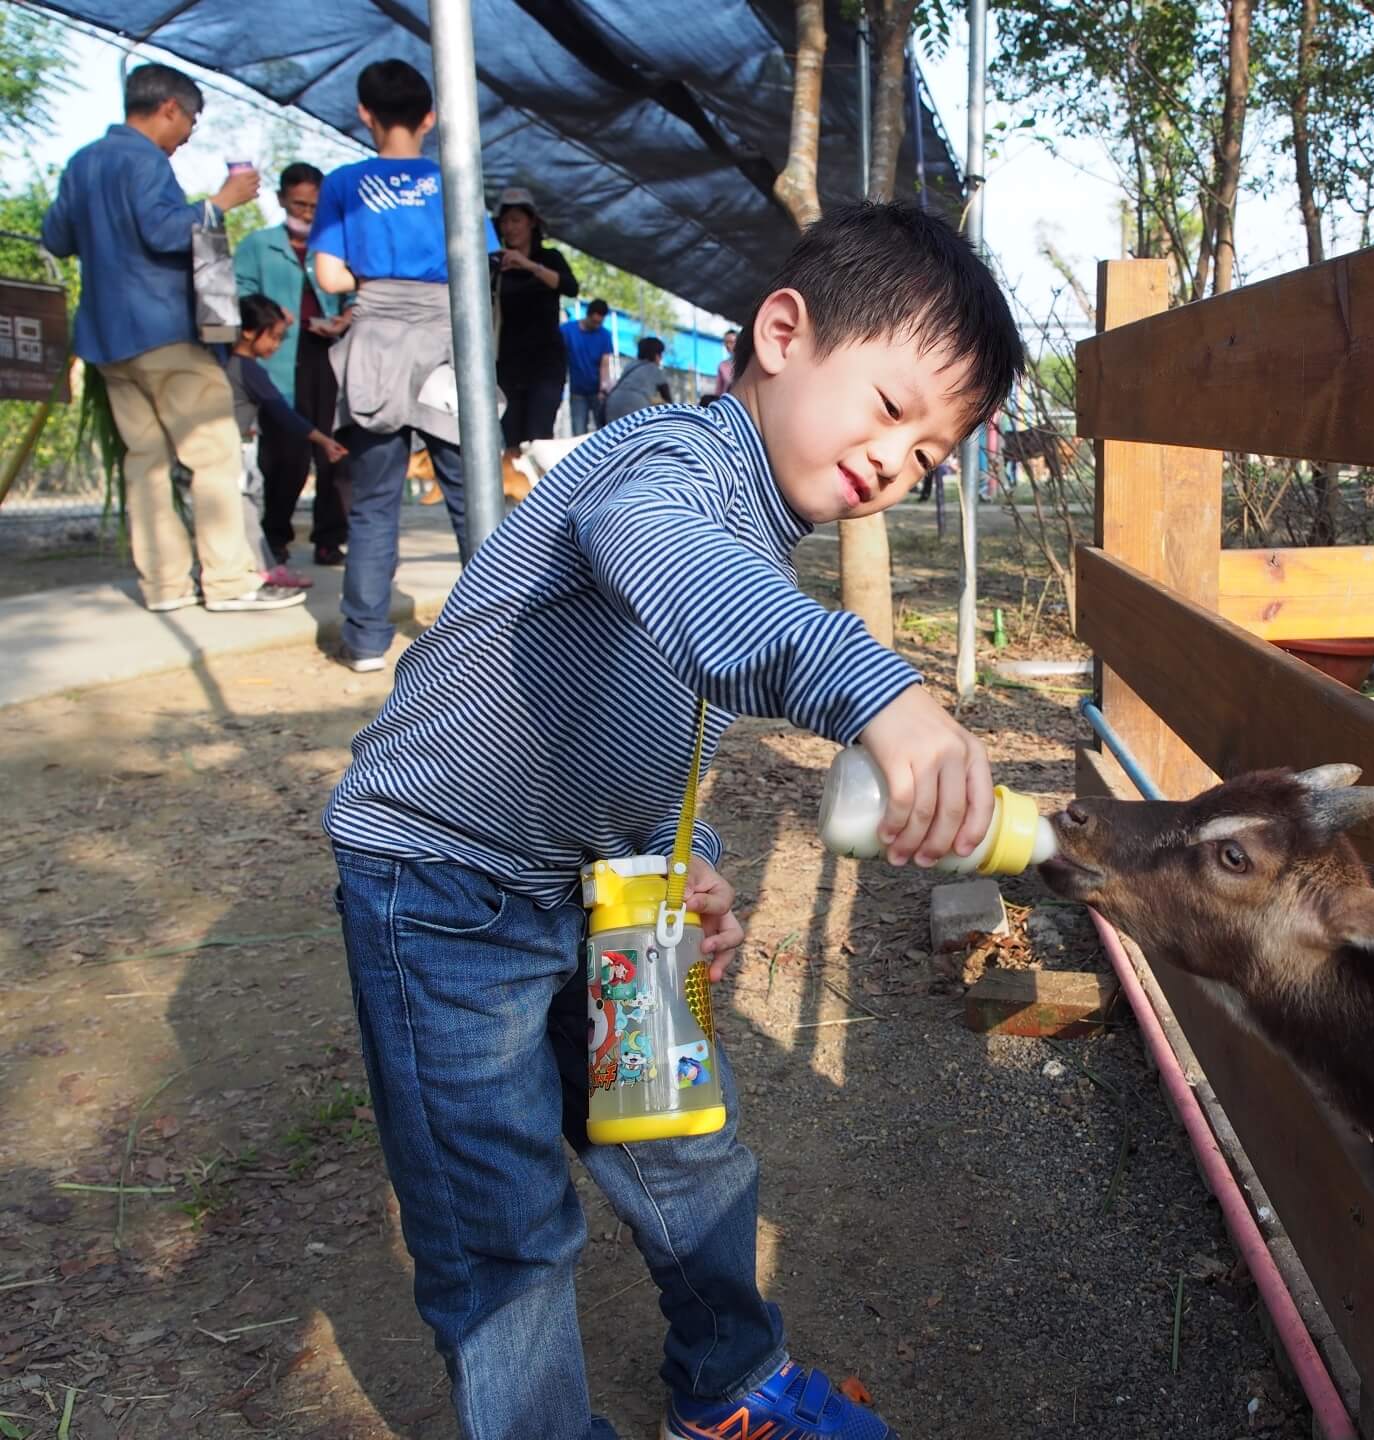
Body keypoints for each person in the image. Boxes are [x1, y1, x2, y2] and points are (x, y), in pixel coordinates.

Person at [324, 201, 1022, 1440]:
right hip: (443, 888)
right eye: (892, 408)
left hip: (607, 885)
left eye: (930, 456)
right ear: (785, 331)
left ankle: (729, 1385)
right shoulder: (664, 467)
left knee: (687, 1147)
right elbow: (685, 579)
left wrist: (682, 854)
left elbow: (659, 721)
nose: (897, 462)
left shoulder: (758, 526)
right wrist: (880, 691)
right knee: (504, 1224)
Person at [40, 63, 304, 613]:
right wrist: (221, 202)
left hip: (108, 342)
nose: (188, 135)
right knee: (214, 456)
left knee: (146, 465)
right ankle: (229, 582)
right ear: (169, 109)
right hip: (164, 332)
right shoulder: (146, 162)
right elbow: (164, 232)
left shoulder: (83, 162)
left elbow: (56, 237)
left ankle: (165, 588)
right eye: (190, 121)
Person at [310, 58, 499, 673]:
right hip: (450, 344)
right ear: (431, 117)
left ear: (364, 114)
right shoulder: (457, 180)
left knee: (373, 500)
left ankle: (365, 641)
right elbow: (486, 267)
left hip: (375, 346)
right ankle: (492, 639)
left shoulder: (343, 184)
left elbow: (331, 275)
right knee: (472, 497)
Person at [233, 162, 354, 567]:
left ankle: (329, 538)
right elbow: (239, 295)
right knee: (285, 453)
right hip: (279, 358)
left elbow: (357, 288)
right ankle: (276, 535)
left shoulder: (335, 244)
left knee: (335, 451)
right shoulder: (257, 245)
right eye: (298, 204)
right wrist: (271, 313)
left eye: (313, 206)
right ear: (282, 199)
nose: (305, 212)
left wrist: (346, 316)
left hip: (328, 354)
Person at [221, 295, 350, 587]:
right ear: (249, 332)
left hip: (229, 447)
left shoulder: (227, 363)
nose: (277, 346)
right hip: (233, 452)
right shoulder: (249, 371)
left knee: (237, 512)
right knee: (247, 512)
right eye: (275, 337)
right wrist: (323, 441)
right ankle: (264, 569)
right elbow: (283, 414)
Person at [492, 186, 579, 447]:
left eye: (516, 220)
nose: (510, 227)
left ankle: (543, 488)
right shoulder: (494, 265)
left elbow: (570, 287)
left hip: (544, 365)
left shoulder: (549, 258)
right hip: (507, 365)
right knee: (512, 441)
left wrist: (528, 265)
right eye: (505, 221)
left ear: (531, 223)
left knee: (538, 439)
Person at [561, 298, 614, 435]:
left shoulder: (605, 335)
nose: (597, 325)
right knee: (579, 431)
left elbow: (605, 364)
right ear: (588, 315)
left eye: (600, 323)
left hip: (598, 392)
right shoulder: (567, 330)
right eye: (594, 322)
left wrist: (604, 387)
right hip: (577, 391)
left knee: (604, 431)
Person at [603, 335, 672, 422]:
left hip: (613, 402)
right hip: (636, 404)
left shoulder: (630, 365)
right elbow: (667, 398)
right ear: (656, 355)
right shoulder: (654, 369)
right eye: (660, 354)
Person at [705, 326, 739, 399]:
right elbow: (718, 391)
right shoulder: (722, 365)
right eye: (726, 342)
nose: (728, 345)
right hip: (727, 404)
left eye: (732, 342)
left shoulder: (747, 363)